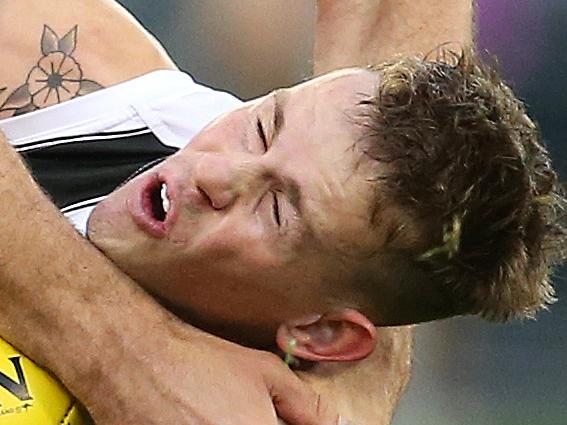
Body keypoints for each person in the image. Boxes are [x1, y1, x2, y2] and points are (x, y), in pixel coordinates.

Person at [3, 0, 561, 424]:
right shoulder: (78, 90)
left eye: (276, 209)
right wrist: (122, 351)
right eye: (262, 126)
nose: (213, 175)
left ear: (323, 335)